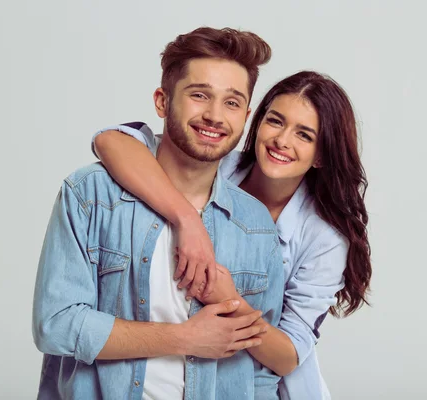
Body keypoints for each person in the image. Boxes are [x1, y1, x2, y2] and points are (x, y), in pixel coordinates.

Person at [32, 27, 287, 399]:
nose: (215, 116)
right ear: (162, 101)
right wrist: (185, 339)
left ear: (246, 115)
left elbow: (261, 370)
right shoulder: (91, 196)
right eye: (199, 95)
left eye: (232, 103)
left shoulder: (255, 225)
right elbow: (55, 325)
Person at [92, 71, 373, 399]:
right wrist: (187, 220)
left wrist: (229, 300)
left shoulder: (323, 238)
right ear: (256, 120)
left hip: (264, 386)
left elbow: (288, 356)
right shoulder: (215, 165)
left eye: (304, 135)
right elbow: (111, 141)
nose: (282, 140)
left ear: (322, 154)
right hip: (170, 369)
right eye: (276, 121)